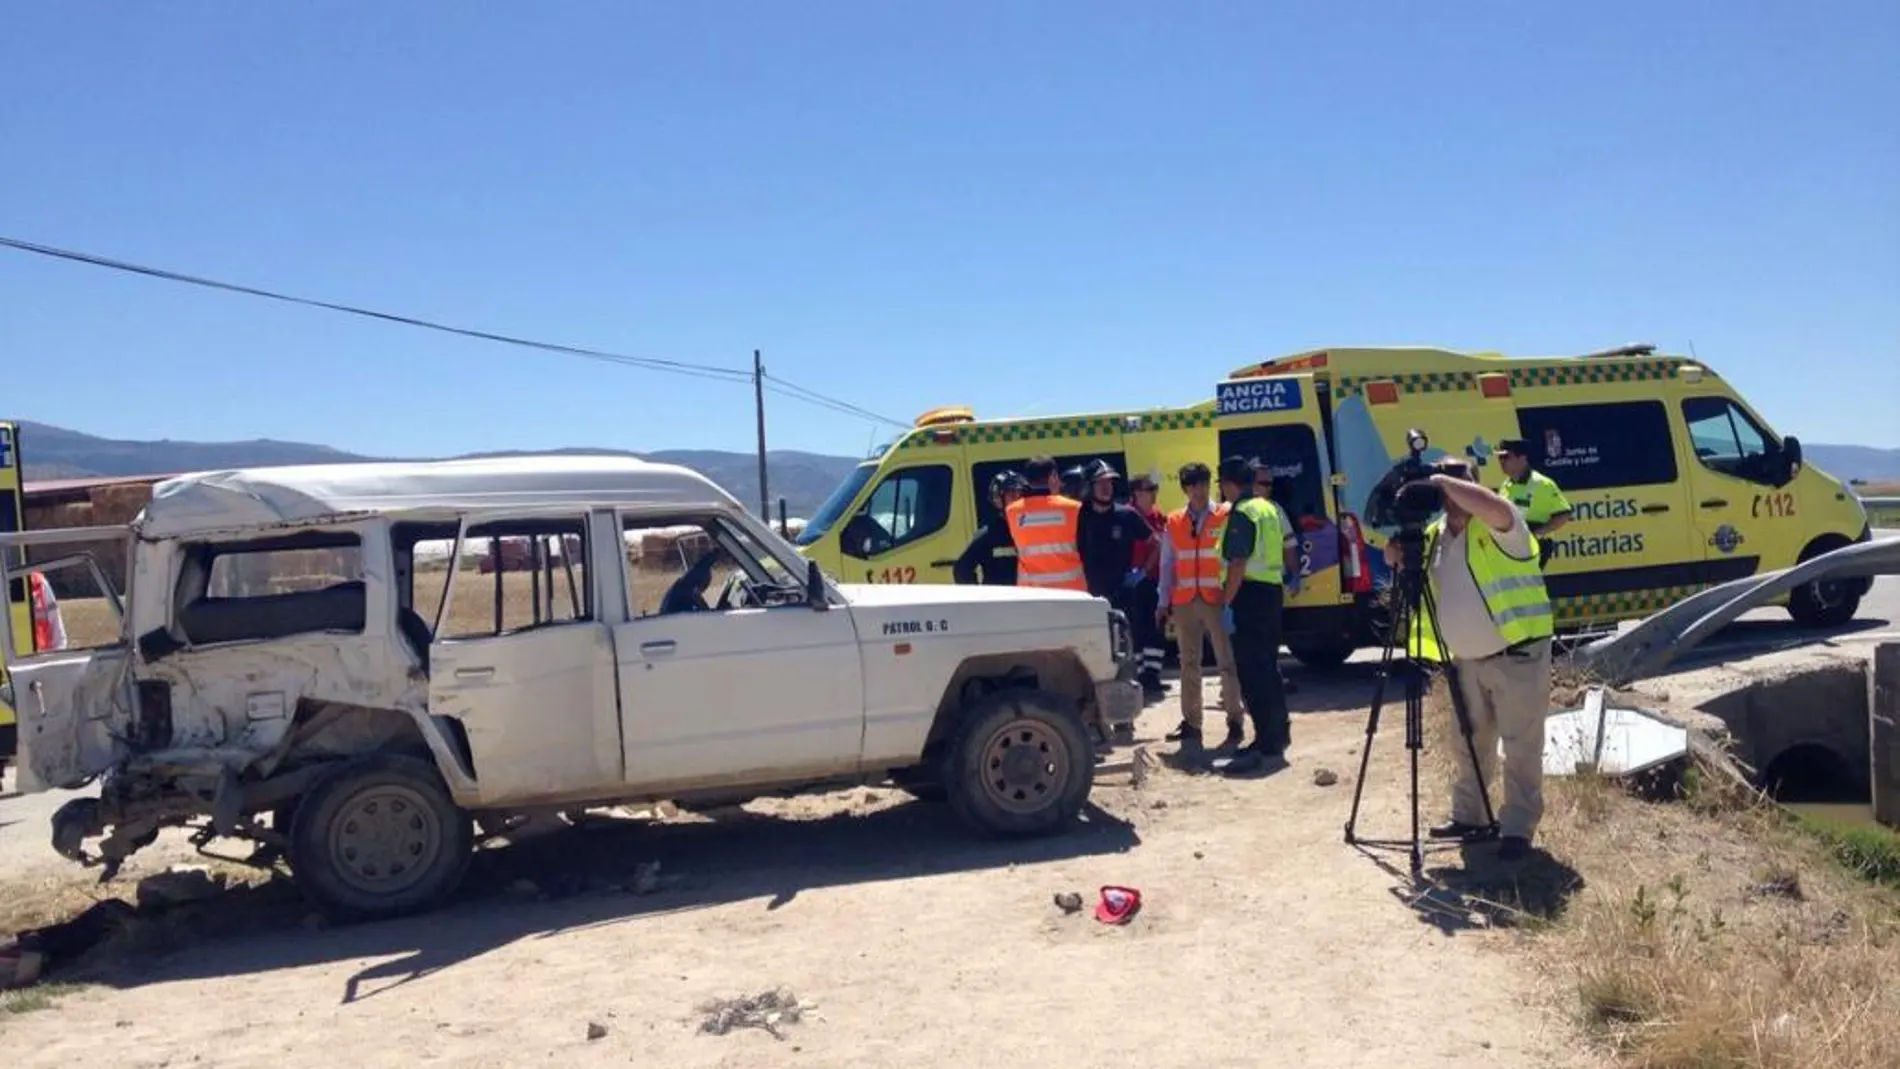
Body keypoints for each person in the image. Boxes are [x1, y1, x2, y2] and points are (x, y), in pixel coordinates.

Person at [1388, 455, 1556, 863]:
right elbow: (1396, 561)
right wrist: (1396, 544)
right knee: (1468, 743)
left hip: (1516, 654)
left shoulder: (1502, 521)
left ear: (1475, 484)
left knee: (1520, 747)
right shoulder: (1435, 534)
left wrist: (1441, 479)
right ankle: (1471, 817)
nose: (1446, 488)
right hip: (1465, 658)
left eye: (1457, 478)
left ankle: (1517, 829)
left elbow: (1494, 508)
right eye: (1443, 481)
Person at [1216, 455, 1300, 775]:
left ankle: (1265, 744)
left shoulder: (1243, 511)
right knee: (1268, 668)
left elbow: (1237, 562)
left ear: (1228, 484)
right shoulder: (1268, 508)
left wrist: (1227, 602)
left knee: (1253, 673)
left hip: (1248, 596)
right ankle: (1277, 735)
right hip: (1270, 594)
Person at [1158, 462, 1246, 750]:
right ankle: (1192, 724)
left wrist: (1231, 596)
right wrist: (1163, 599)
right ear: (1186, 488)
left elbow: (1234, 557)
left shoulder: (1224, 514)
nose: (1201, 489)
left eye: (1205, 483)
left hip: (1216, 598)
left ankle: (1235, 721)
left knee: (1227, 662)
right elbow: (1167, 563)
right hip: (1185, 601)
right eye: (1195, 484)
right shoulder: (1173, 521)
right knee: (1188, 664)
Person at [1004, 455, 1087, 593]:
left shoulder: (1012, 511)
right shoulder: (1074, 508)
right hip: (1072, 593)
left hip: (1032, 594)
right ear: (1053, 476)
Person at [1125, 472, 1170, 699]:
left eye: (1155, 489)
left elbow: (1161, 546)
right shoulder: (1126, 515)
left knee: (1156, 628)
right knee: (1136, 629)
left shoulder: (1157, 515)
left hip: (1153, 580)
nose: (1154, 494)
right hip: (1132, 583)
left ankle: (1152, 675)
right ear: (1136, 493)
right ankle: (1140, 675)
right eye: (1149, 490)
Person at [1495, 438, 1571, 568]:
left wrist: (1538, 533)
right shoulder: (1505, 485)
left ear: (1522, 458)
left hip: (1535, 544)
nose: (1501, 461)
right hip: (1511, 543)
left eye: (1506, 457)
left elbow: (1564, 514)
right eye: (1499, 457)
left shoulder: (1542, 484)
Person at [952, 471, 1025, 585]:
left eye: (1020, 495)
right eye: (1012, 494)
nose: (1018, 499)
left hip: (1031, 599)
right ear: (998, 500)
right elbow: (962, 570)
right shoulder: (988, 535)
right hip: (1000, 600)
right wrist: (979, 597)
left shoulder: (1032, 529)